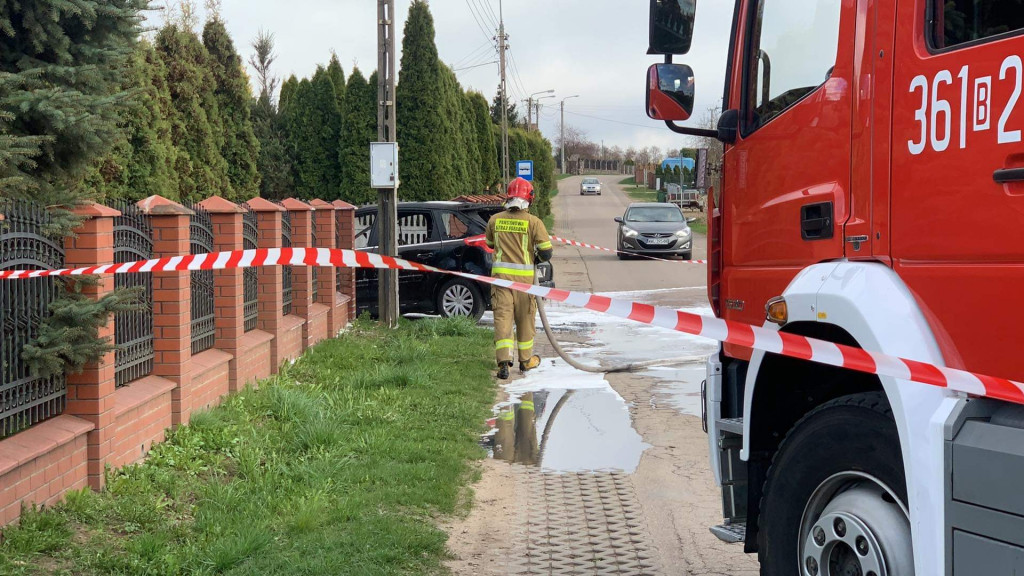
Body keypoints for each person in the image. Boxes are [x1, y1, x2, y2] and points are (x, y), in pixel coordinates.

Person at [485, 177, 553, 379]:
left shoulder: (495, 220)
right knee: (525, 321)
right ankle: (526, 361)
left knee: (503, 321)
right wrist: (535, 255)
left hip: (501, 282)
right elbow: (546, 253)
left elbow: (489, 244)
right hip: (525, 284)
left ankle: (503, 364)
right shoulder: (534, 222)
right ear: (529, 198)